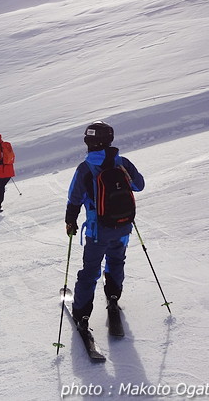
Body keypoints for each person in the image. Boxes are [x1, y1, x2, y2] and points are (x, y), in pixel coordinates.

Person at [64, 121, 145, 332]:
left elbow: (74, 198)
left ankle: (82, 315)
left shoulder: (86, 168)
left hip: (97, 231)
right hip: (123, 227)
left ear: (88, 142)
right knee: (116, 262)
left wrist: (70, 221)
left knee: (90, 271)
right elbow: (139, 185)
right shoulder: (122, 163)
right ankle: (113, 296)